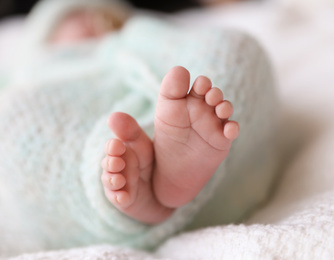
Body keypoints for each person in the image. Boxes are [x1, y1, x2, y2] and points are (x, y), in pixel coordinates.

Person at [0, 0, 276, 257]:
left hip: (164, 106)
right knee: (18, 120)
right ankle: (122, 191)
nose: (94, 26)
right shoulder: (31, 72)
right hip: (85, 138)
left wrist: (139, 34)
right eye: (75, 19)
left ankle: (161, 170)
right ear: (42, 39)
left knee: (233, 47)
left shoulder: (139, 40)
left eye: (105, 19)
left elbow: (187, 51)